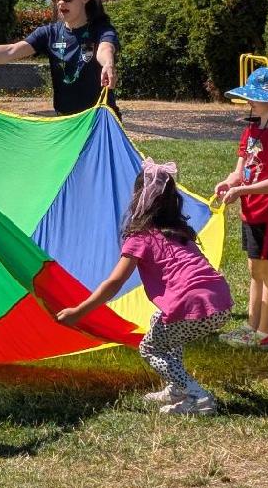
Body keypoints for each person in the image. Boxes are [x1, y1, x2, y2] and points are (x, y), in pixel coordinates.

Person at [57, 159, 233, 415]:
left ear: (139, 199)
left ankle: (198, 397)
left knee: (150, 347)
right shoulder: (179, 231)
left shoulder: (140, 238)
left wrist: (80, 311)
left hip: (192, 305)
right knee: (161, 323)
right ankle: (176, 386)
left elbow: (114, 282)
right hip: (220, 302)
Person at [213, 67, 268, 351]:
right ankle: (252, 327)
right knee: (254, 270)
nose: (250, 101)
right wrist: (228, 183)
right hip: (250, 212)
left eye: (256, 97)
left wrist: (242, 191)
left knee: (267, 272)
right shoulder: (250, 131)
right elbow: (240, 171)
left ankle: (266, 333)